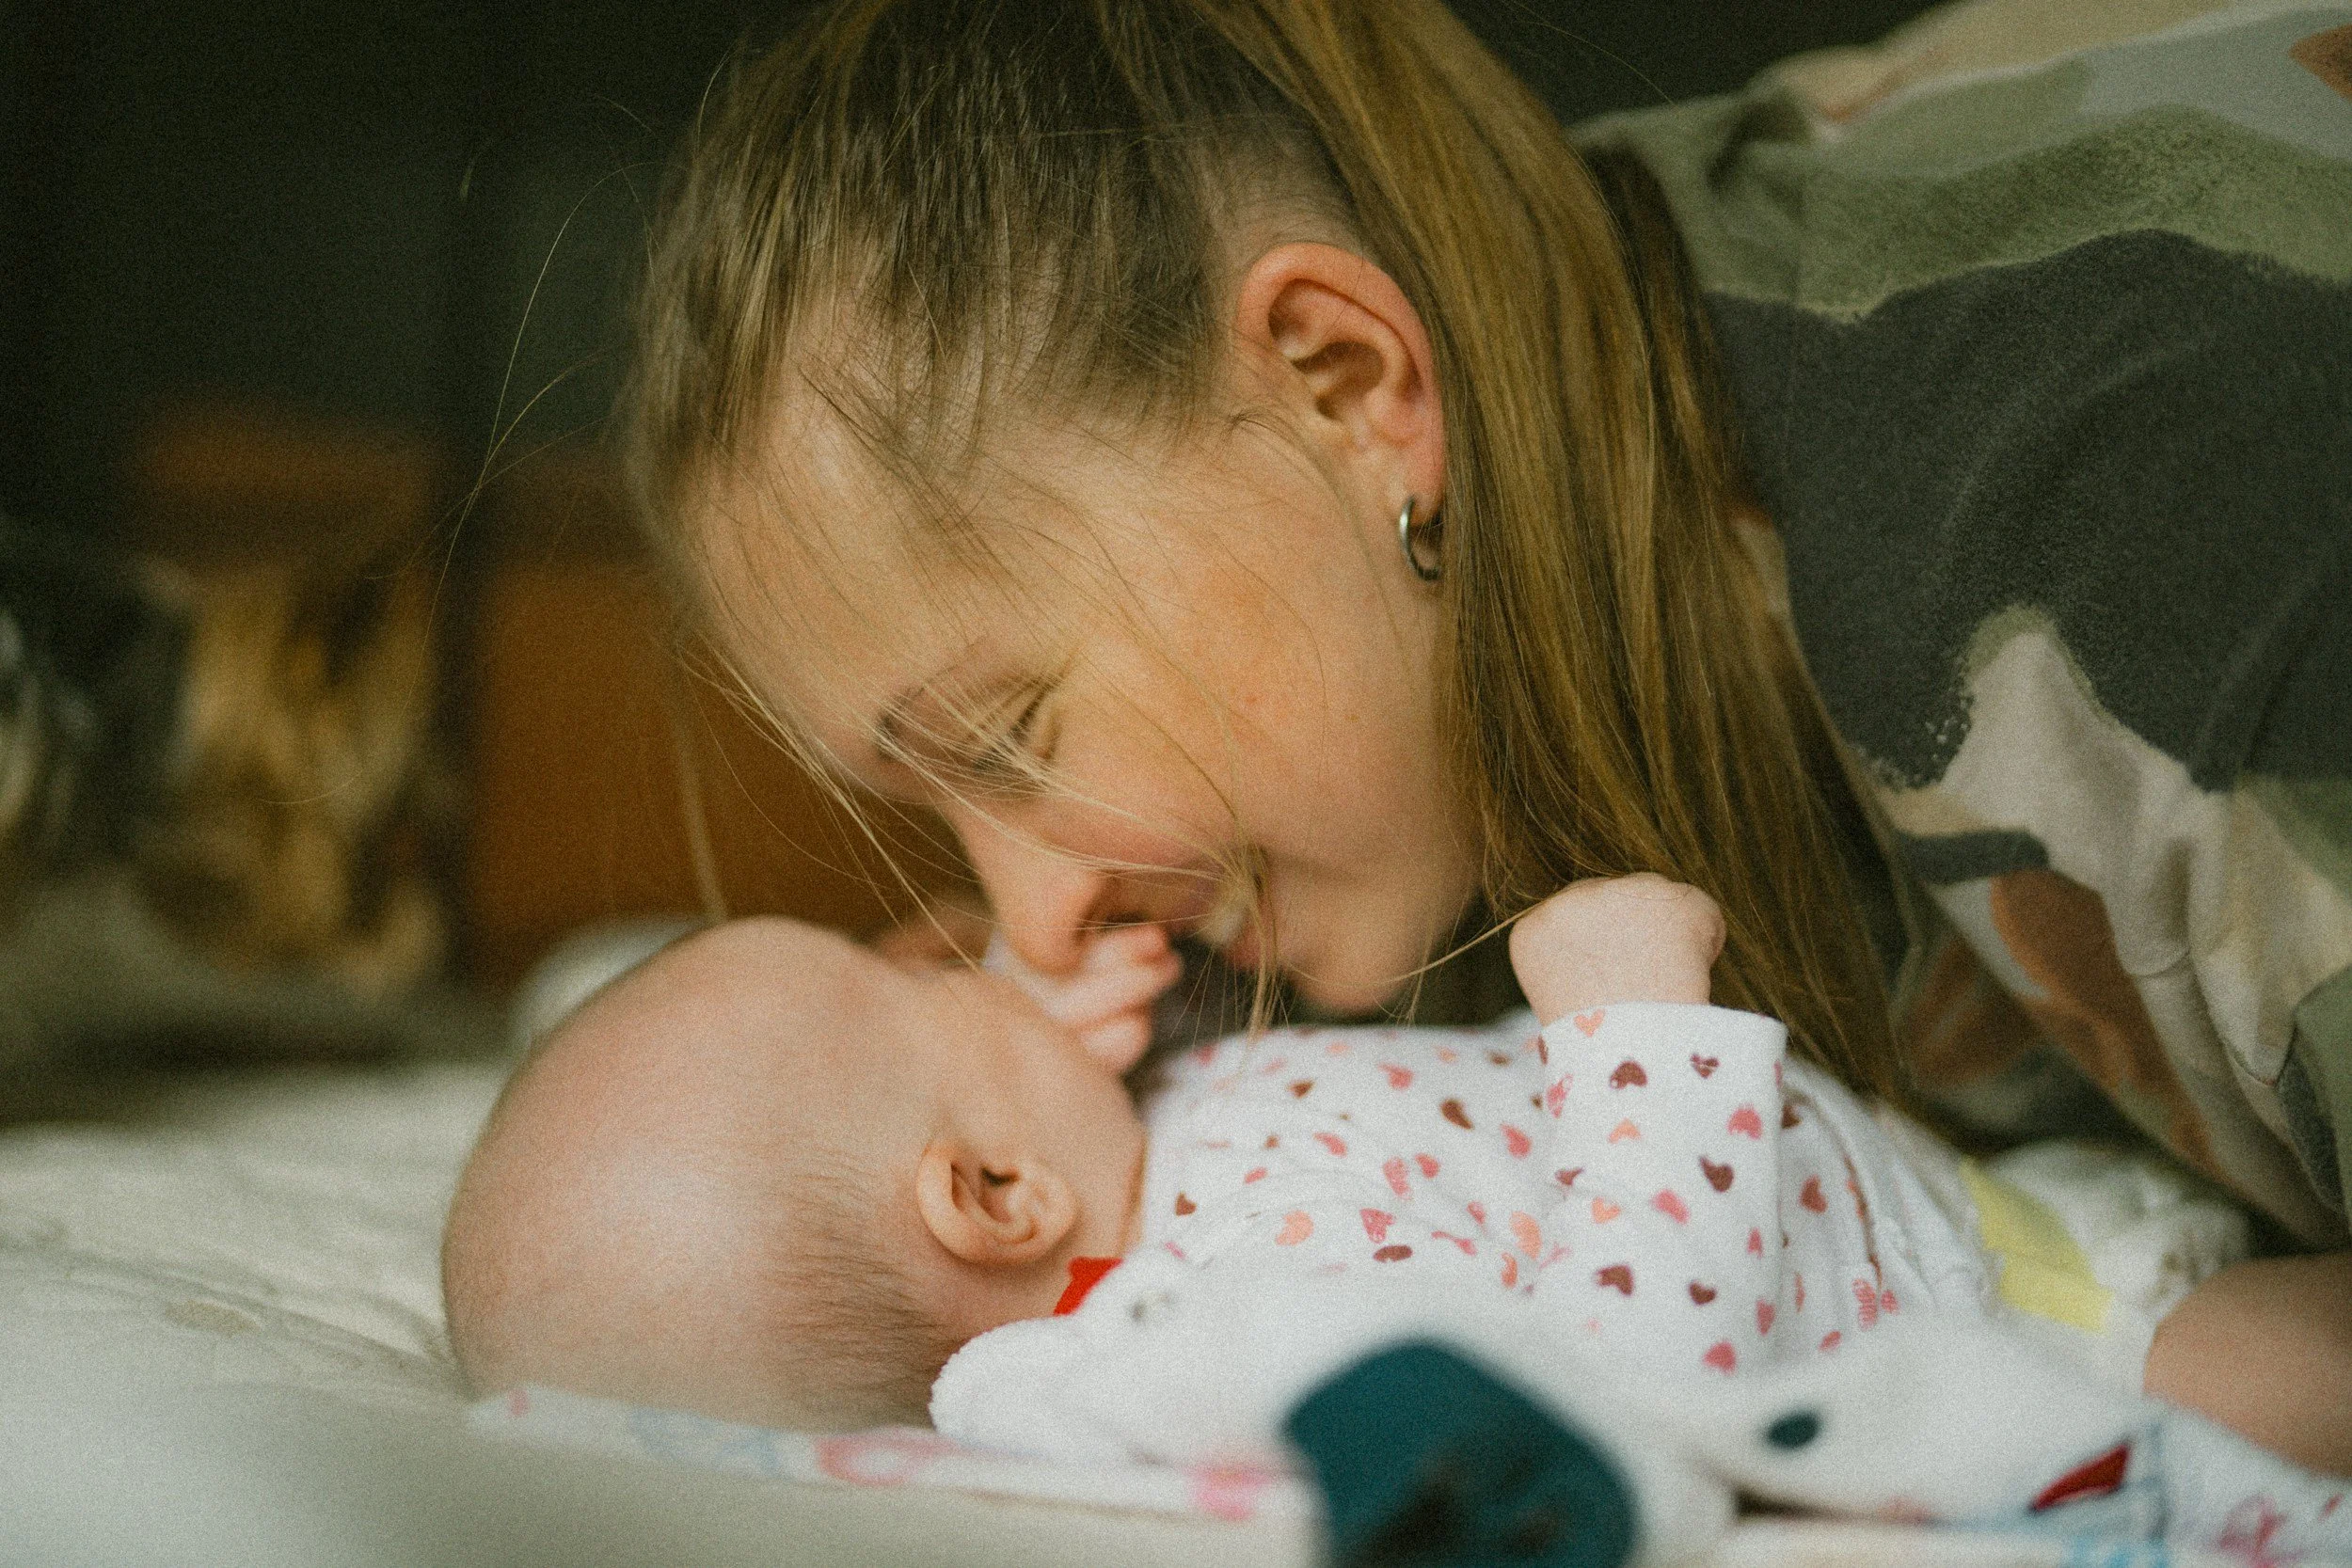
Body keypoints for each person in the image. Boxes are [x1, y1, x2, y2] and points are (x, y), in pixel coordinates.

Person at [615, 0, 2352, 1473]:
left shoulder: (2144, 492)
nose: (1042, 919)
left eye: (1012, 736)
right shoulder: (1445, 753)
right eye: (942, 814)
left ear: (1348, 389)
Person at [441, 876, 2352, 1560]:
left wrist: (1050, 1018)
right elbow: (1638, 1374)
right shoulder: (1246, 1311)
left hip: (1962, 1200)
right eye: (932, 986)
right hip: (2029, 1342)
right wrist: (1638, 1027)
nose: (993, 958)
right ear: (991, 1192)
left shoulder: (1145, 1152)